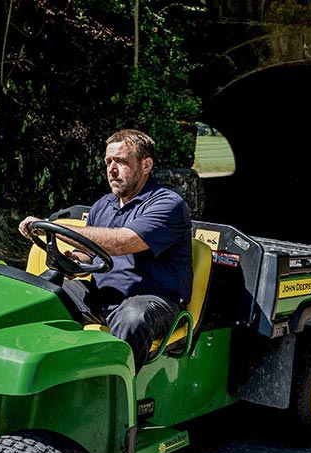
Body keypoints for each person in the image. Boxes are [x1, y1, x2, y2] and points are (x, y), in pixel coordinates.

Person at [18, 129, 193, 372]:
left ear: (146, 165)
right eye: (108, 162)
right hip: (105, 295)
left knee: (131, 317)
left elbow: (121, 242)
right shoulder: (103, 205)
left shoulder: (167, 204)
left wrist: (54, 227)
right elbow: (91, 254)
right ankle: (40, 372)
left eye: (121, 161)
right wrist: (73, 260)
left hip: (155, 301)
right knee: (40, 295)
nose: (112, 169)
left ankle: (112, 393)